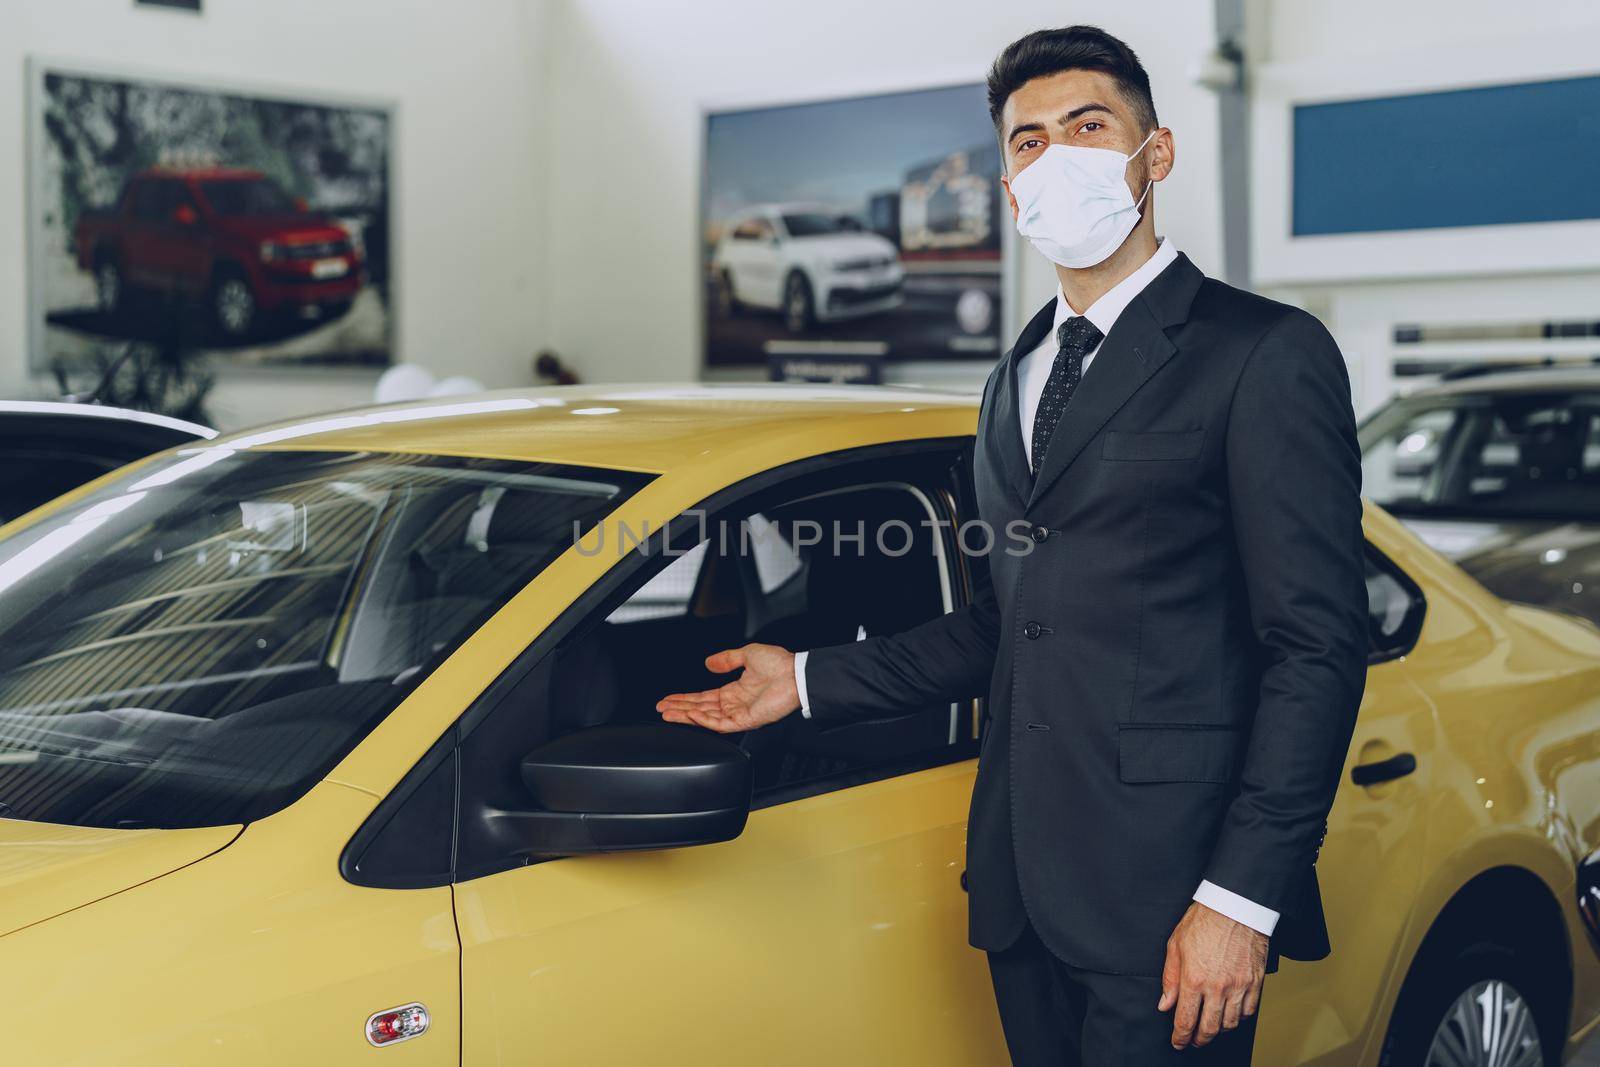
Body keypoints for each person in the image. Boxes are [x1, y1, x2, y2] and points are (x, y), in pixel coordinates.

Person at [658, 25, 1368, 1066]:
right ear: (1006, 185)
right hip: (1022, 891)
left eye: (1088, 126)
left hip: (1172, 894)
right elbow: (1010, 621)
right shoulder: (1016, 376)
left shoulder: (1259, 352)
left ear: (1153, 153)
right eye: (1029, 141)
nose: (1057, 156)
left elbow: (1315, 643)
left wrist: (1238, 897)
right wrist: (802, 680)